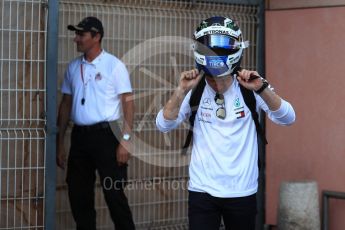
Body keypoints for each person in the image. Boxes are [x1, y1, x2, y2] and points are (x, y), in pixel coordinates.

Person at [155, 16, 296, 230]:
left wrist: (261, 88)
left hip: (242, 192)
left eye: (221, 78)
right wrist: (180, 91)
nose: (217, 84)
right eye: (212, 79)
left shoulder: (250, 87)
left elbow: (288, 118)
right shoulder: (195, 89)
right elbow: (163, 124)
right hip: (202, 191)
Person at [56, 16, 135, 230]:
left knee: (114, 195)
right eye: (76, 34)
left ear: (96, 36)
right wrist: (60, 143)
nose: (76, 39)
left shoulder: (114, 65)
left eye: (81, 34)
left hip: (107, 137)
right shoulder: (73, 67)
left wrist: (126, 141)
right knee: (78, 195)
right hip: (80, 138)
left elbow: (128, 104)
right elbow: (65, 104)